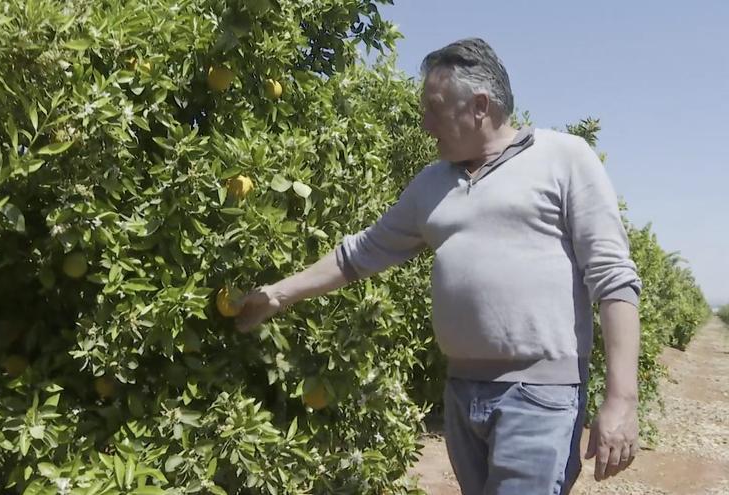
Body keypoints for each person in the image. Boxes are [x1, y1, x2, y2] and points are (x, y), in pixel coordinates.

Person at [234, 37, 642, 495]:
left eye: (434, 109)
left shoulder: (564, 158)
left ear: (480, 106)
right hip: (462, 394)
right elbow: (361, 252)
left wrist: (621, 398)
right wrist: (278, 294)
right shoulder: (433, 183)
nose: (426, 124)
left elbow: (613, 280)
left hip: (539, 395)